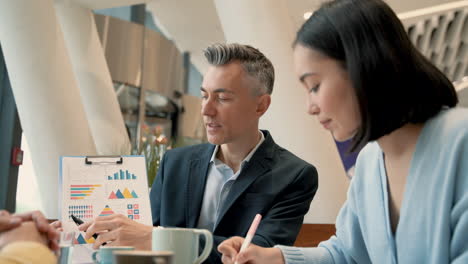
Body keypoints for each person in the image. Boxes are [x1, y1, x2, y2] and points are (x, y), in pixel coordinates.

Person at [217, 0, 468, 263]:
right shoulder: (370, 163)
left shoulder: (459, 140)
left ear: (363, 66)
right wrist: (274, 257)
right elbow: (346, 252)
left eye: (314, 86)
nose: (310, 107)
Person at [77, 43, 319, 263]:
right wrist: (89, 232)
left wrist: (157, 237)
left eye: (222, 98)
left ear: (261, 105)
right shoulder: (175, 162)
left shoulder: (294, 176)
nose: (206, 110)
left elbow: (257, 255)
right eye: (204, 96)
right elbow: (140, 238)